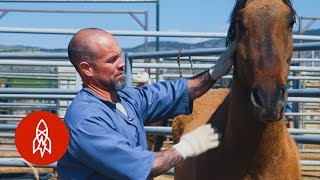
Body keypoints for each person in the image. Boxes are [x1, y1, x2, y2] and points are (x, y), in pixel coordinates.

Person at [57, 28, 235, 179]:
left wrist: (214, 73)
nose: (121, 64)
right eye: (111, 60)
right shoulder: (85, 120)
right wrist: (187, 146)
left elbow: (169, 94)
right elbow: (140, 167)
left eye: (120, 57)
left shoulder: (125, 97)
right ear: (86, 69)